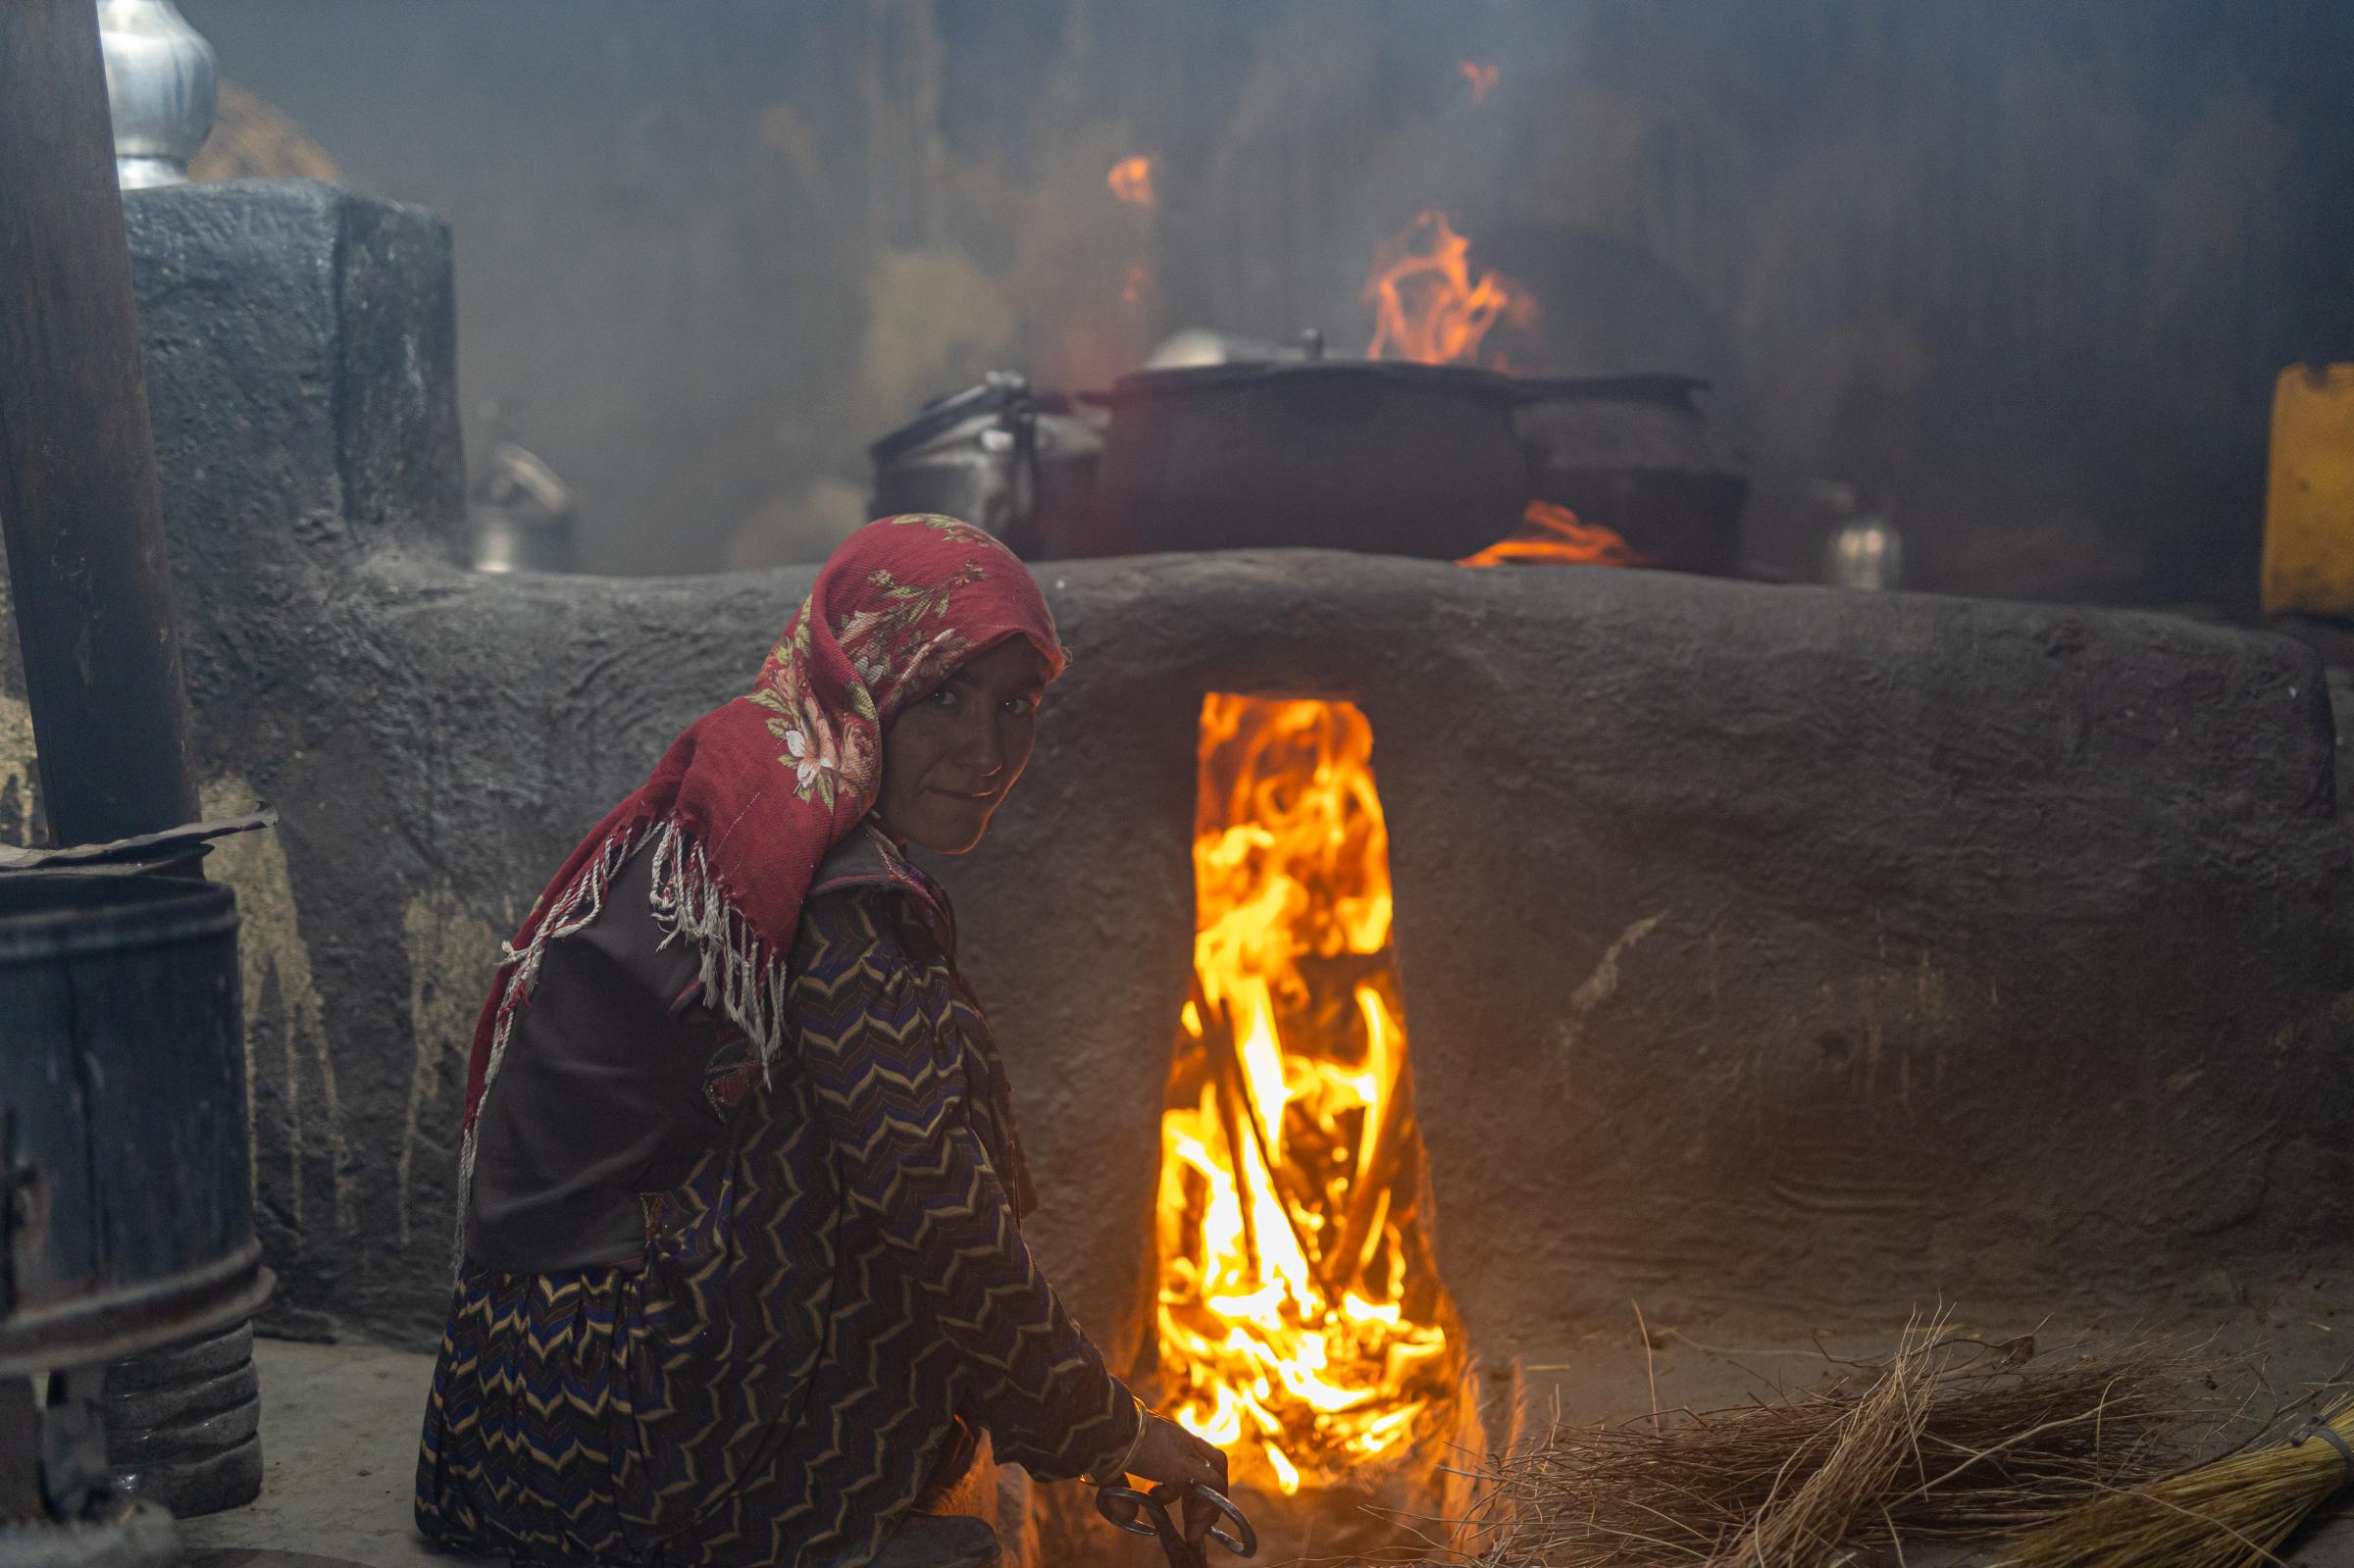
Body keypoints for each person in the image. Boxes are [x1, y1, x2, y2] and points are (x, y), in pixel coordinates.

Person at [414, 514, 1227, 1568]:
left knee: (872, 1126)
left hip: (501, 1419)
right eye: (945, 695)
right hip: (618, 1449)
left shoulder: (745, 797)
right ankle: (819, 1523)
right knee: (897, 1171)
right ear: (869, 673)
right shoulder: (839, 895)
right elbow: (932, 1208)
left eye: (1016, 708)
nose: (986, 753)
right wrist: (1108, 1429)